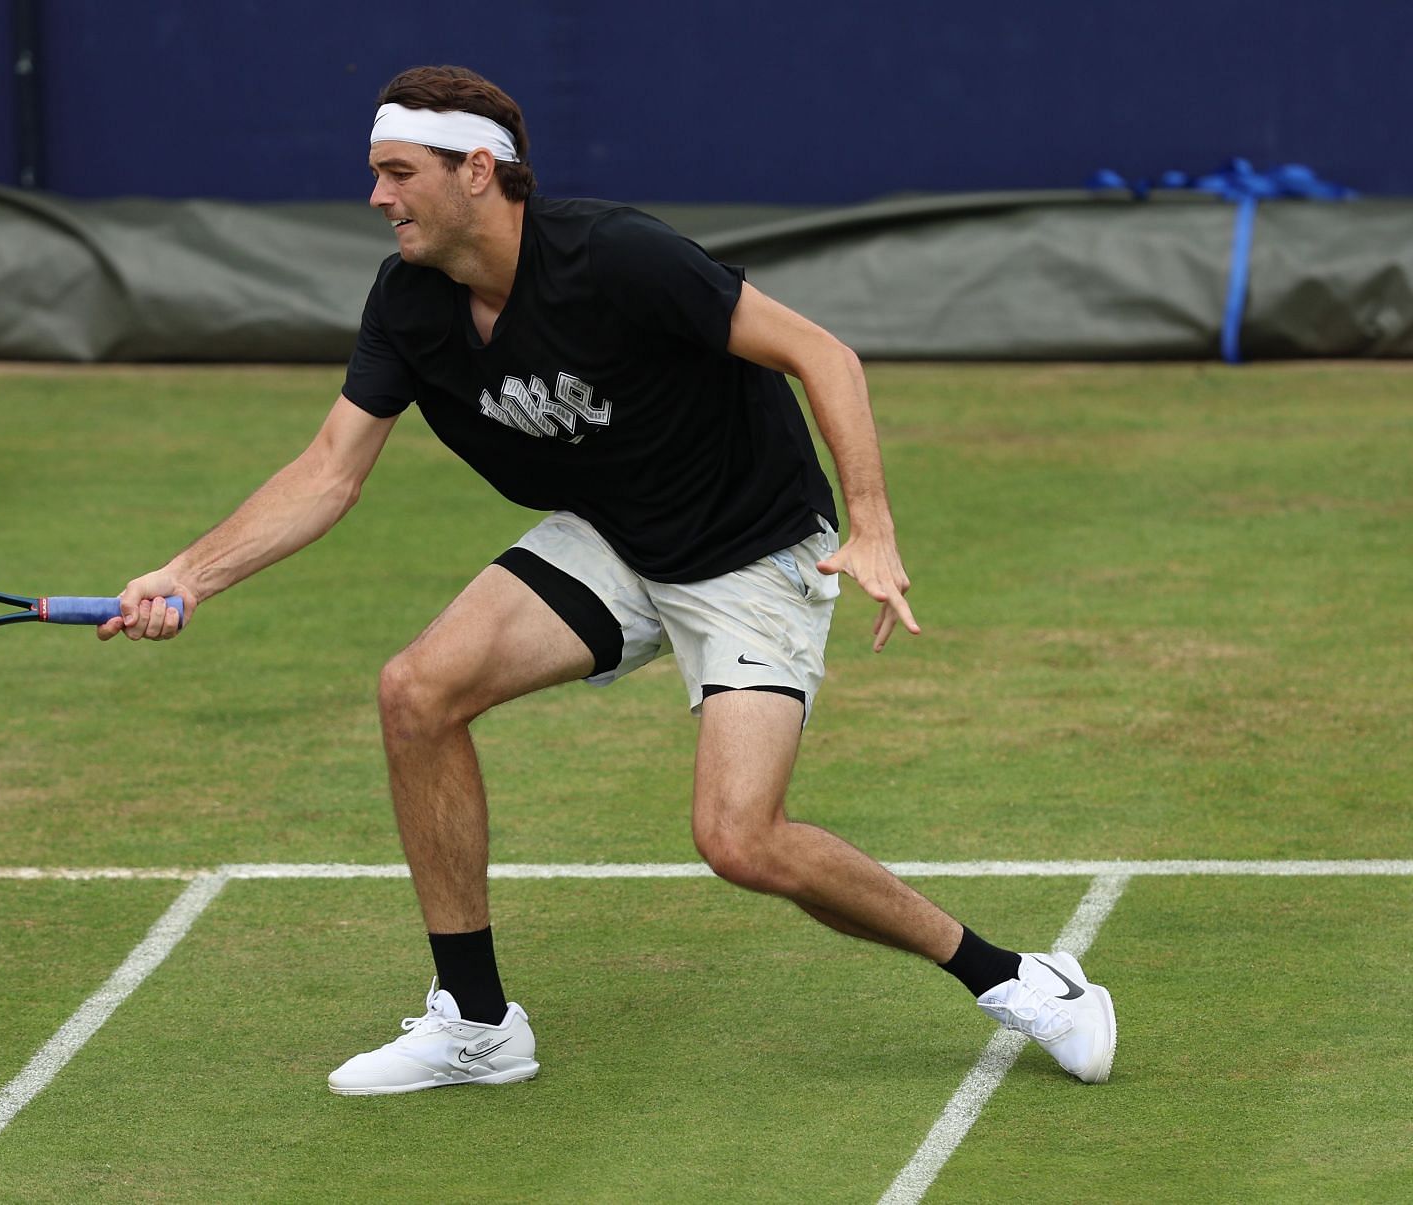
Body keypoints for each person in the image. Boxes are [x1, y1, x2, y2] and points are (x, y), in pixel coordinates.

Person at [100, 65, 1117, 1093]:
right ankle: (478, 1020)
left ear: (478, 171)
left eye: (399, 172)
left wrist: (875, 525)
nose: (377, 198)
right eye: (376, 173)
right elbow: (329, 469)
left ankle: (1021, 979)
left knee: (739, 837)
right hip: (617, 539)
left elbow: (824, 354)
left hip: (752, 551)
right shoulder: (409, 304)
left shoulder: (619, 257)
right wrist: (189, 574)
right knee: (417, 691)